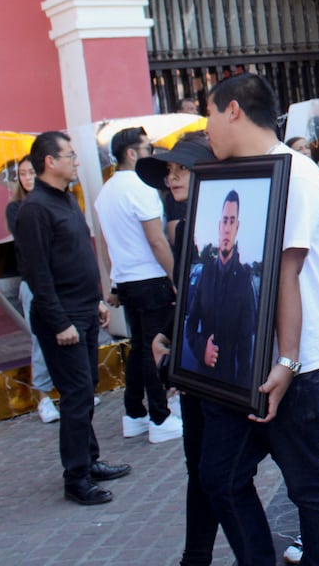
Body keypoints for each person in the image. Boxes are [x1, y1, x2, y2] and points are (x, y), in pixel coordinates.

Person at [199, 73, 319, 565]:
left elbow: (288, 267)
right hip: (243, 362)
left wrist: (286, 360)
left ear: (234, 110)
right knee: (220, 476)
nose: (207, 129)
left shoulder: (295, 173)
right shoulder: (234, 176)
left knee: (309, 488)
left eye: (210, 115)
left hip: (298, 365)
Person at [15, 131, 131, 505]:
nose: (76, 161)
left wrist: (98, 299)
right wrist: (60, 322)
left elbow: (78, 255)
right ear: (50, 161)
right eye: (70, 155)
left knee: (85, 390)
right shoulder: (35, 209)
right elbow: (37, 273)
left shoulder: (65, 200)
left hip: (83, 311)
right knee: (77, 395)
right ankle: (76, 478)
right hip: (60, 320)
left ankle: (90, 460)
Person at [136, 134, 223, 566]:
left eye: (180, 169)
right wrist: (169, 335)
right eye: (168, 171)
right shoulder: (187, 226)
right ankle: (197, 556)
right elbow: (191, 293)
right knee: (201, 469)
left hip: (233, 366)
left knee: (228, 473)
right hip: (194, 366)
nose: (171, 178)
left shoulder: (235, 224)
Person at [95, 127, 183, 444]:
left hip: (127, 280)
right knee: (153, 347)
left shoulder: (106, 192)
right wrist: (176, 278)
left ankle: (135, 413)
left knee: (138, 348)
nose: (152, 154)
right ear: (131, 153)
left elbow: (105, 247)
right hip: (150, 277)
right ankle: (160, 417)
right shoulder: (140, 186)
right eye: (148, 148)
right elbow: (157, 240)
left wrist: (115, 280)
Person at [182, 189, 258, 388]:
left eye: (232, 221)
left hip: (230, 381)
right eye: (224, 220)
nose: (227, 227)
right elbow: (190, 325)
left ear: (237, 227)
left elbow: (245, 346)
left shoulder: (244, 279)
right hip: (203, 379)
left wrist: (243, 394)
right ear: (219, 225)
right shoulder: (206, 273)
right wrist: (202, 350)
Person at [5, 155, 60, 423]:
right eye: (23, 174)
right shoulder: (17, 208)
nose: (27, 178)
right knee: (40, 340)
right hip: (34, 283)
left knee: (65, 337)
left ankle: (67, 390)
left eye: (31, 173)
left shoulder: (54, 202)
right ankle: (43, 398)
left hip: (58, 280)